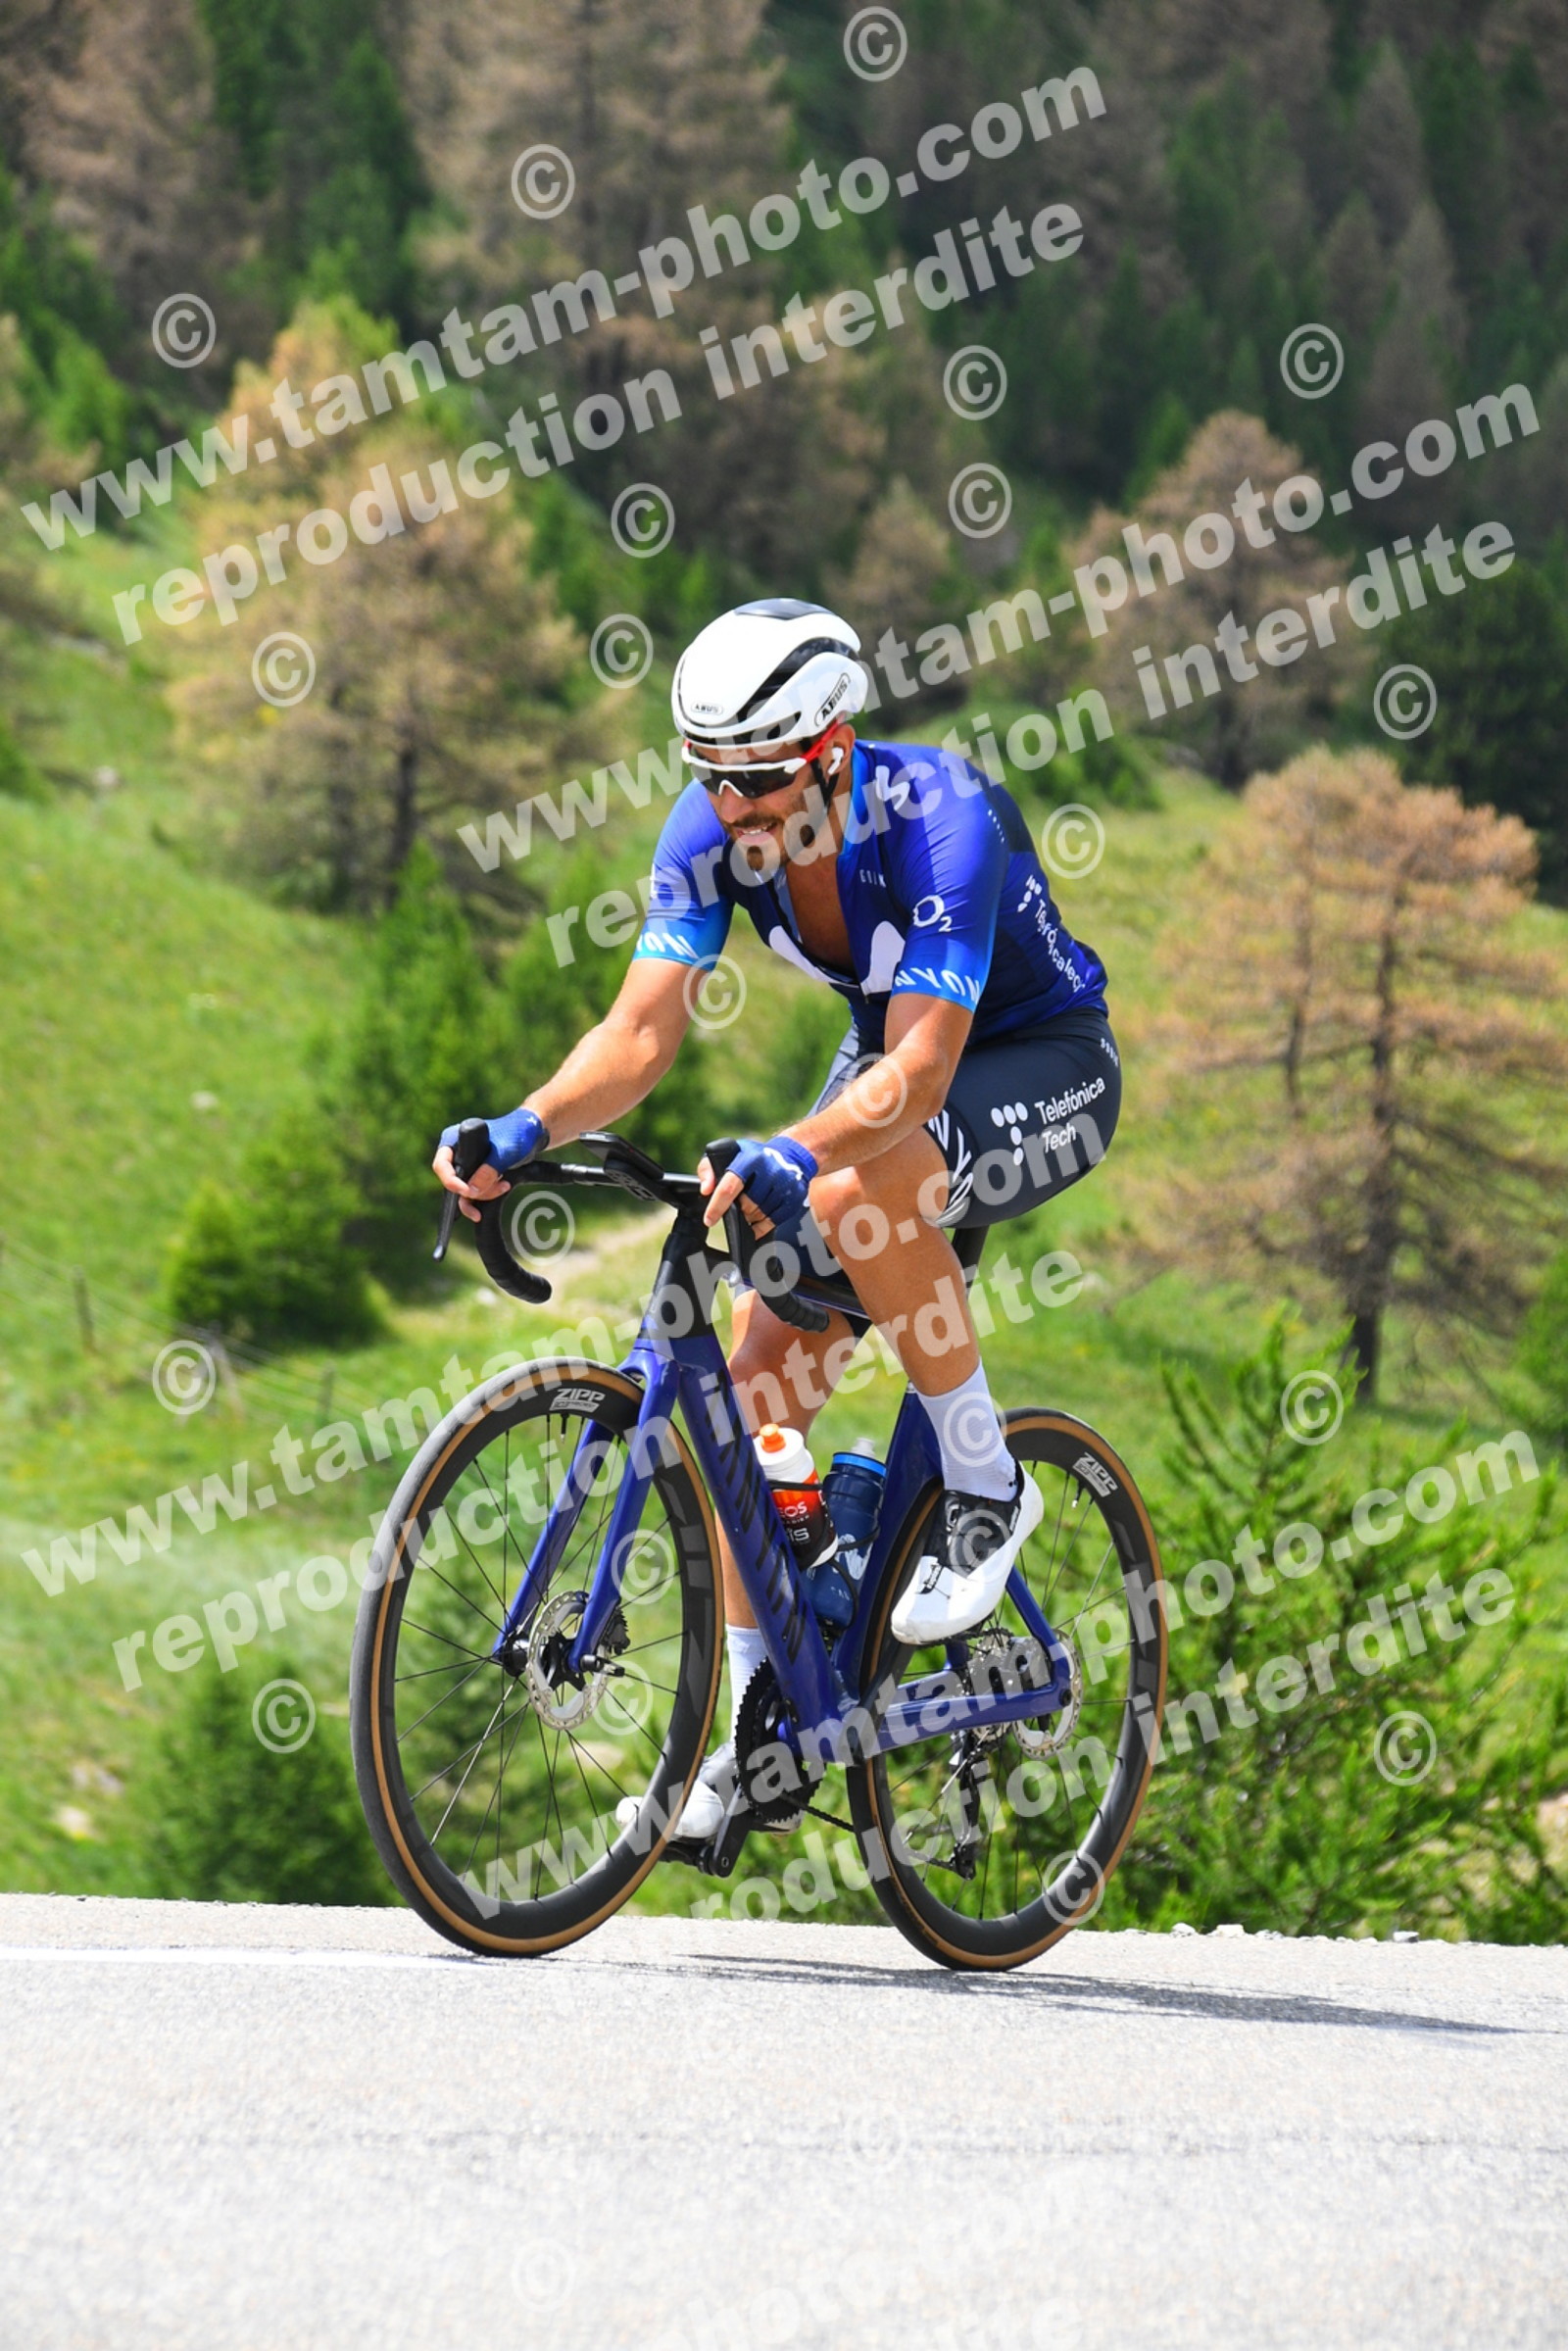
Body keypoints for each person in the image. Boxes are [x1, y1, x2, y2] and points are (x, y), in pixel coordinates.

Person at [434, 598, 1120, 1838]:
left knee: (855, 1186)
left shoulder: (941, 814)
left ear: (832, 748)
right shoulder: (710, 830)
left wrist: (795, 1151)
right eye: (712, 776)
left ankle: (986, 1483)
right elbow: (639, 1030)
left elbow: (921, 1074)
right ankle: (764, 1726)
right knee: (752, 1387)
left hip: (1036, 1060)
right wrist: (522, 1128)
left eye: (757, 779)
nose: (732, 807)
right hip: (887, 1064)